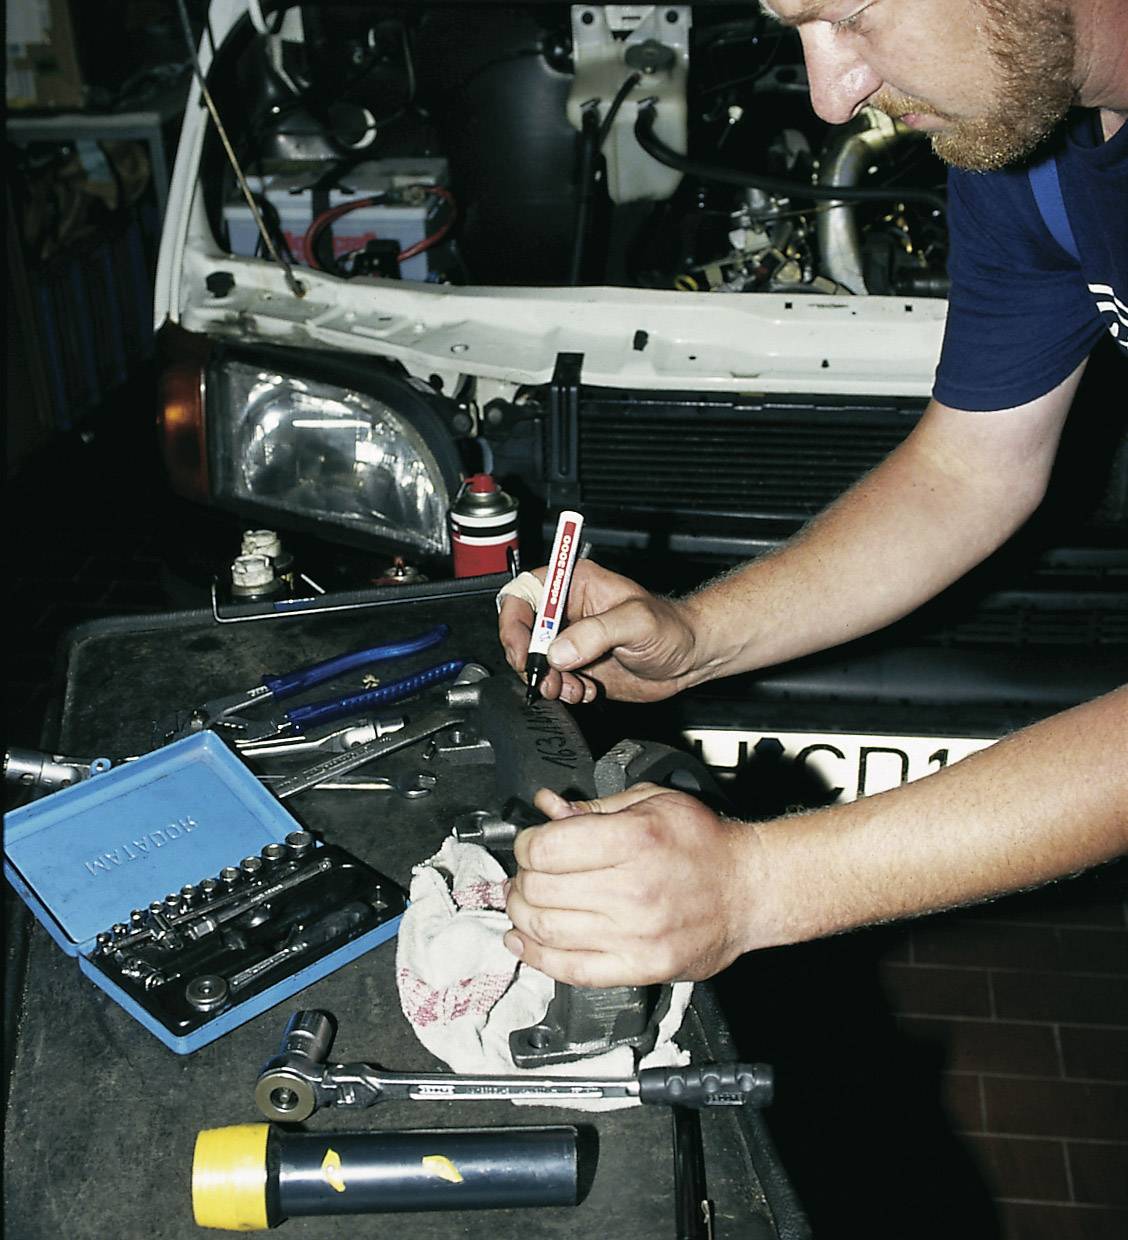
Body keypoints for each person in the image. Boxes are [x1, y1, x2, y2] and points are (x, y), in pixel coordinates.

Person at [497, 0, 1127, 989]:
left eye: (855, 15)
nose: (834, 98)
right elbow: (972, 469)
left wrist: (757, 886)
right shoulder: (1034, 146)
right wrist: (695, 639)